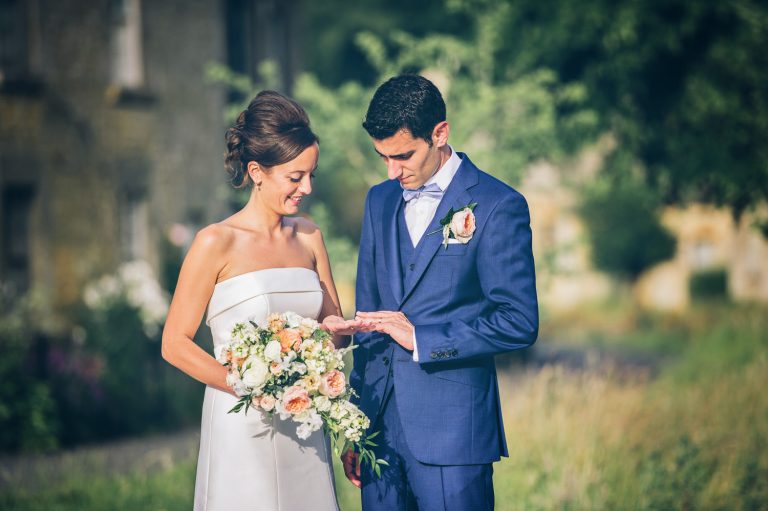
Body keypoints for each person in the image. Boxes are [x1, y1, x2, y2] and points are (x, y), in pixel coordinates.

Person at [341, 74, 539, 510]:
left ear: (440, 133)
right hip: (380, 435)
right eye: (383, 158)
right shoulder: (379, 201)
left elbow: (518, 321)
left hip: (455, 436)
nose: (393, 171)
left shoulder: (498, 204)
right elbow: (368, 317)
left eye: (403, 156)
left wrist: (423, 339)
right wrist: (356, 424)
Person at [162, 90, 351, 511]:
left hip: (305, 424)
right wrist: (248, 386)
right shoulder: (215, 242)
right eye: (295, 177)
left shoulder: (310, 237)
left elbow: (331, 329)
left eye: (311, 175)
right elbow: (174, 343)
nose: (307, 187)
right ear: (257, 171)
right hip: (242, 422)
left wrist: (328, 348)